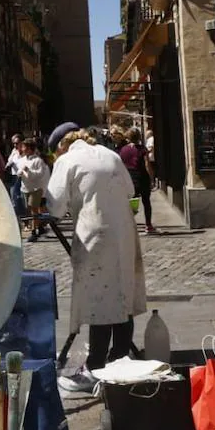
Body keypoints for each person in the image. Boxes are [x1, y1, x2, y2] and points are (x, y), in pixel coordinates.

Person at [49, 129, 146, 394]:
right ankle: (120, 359)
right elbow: (130, 189)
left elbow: (55, 205)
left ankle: (94, 368)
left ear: (61, 145)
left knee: (99, 300)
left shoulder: (66, 161)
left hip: (95, 235)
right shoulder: (110, 154)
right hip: (123, 233)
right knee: (122, 294)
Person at [120, 127, 157, 235]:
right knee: (146, 202)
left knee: (131, 203)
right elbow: (147, 164)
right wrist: (151, 178)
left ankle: (129, 225)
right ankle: (148, 225)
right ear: (139, 137)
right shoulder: (142, 149)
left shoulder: (123, 150)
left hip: (129, 178)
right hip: (142, 177)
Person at [14, 136, 51, 241]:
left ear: (30, 149)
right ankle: (40, 226)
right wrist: (20, 173)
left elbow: (39, 174)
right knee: (29, 209)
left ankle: (34, 232)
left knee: (34, 209)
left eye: (24, 147)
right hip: (25, 188)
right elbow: (19, 172)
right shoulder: (22, 160)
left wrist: (28, 171)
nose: (22, 149)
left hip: (36, 189)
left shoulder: (38, 161)